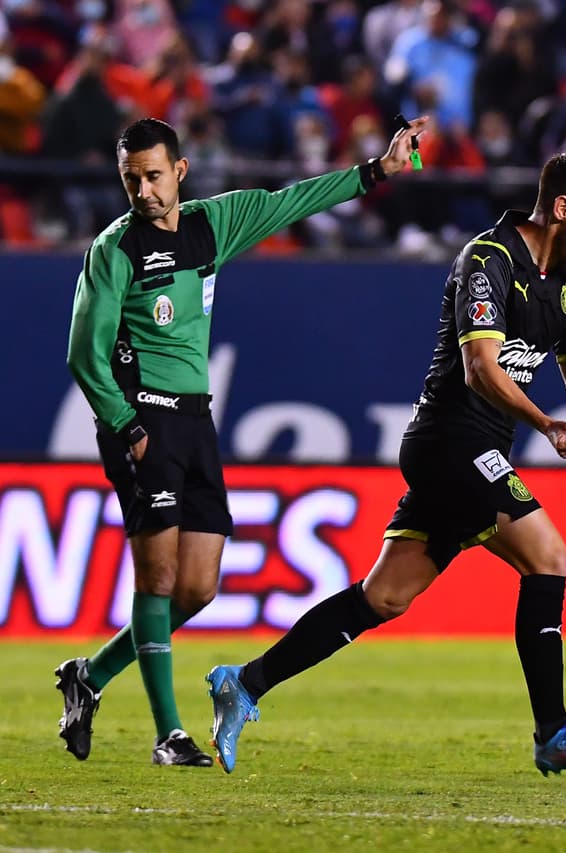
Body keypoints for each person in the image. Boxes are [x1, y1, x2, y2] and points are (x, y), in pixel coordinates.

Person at [205, 145, 566, 776]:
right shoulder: (488, 260)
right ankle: (554, 732)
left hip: (477, 450)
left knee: (382, 598)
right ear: (562, 208)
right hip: (449, 443)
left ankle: (244, 682)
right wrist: (543, 423)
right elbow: (480, 367)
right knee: (548, 557)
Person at [60, 113, 431, 767]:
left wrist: (377, 170)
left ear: (180, 171)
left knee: (199, 588)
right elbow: (84, 356)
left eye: (152, 175)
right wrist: (127, 428)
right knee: (160, 575)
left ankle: (89, 676)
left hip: (195, 421)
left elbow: (292, 201)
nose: (142, 190)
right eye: (130, 179)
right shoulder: (115, 250)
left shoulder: (213, 225)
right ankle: (169, 734)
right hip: (141, 423)